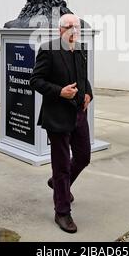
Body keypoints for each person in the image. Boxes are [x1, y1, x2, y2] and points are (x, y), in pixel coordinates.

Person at [30, 14, 93, 233]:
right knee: (61, 165)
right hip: (57, 116)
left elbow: (83, 77)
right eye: (69, 27)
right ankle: (62, 212)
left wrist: (88, 94)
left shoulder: (81, 49)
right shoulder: (48, 50)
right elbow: (36, 81)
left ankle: (59, 186)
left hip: (78, 114)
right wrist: (60, 92)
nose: (74, 30)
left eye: (77, 27)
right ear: (60, 30)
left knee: (83, 156)